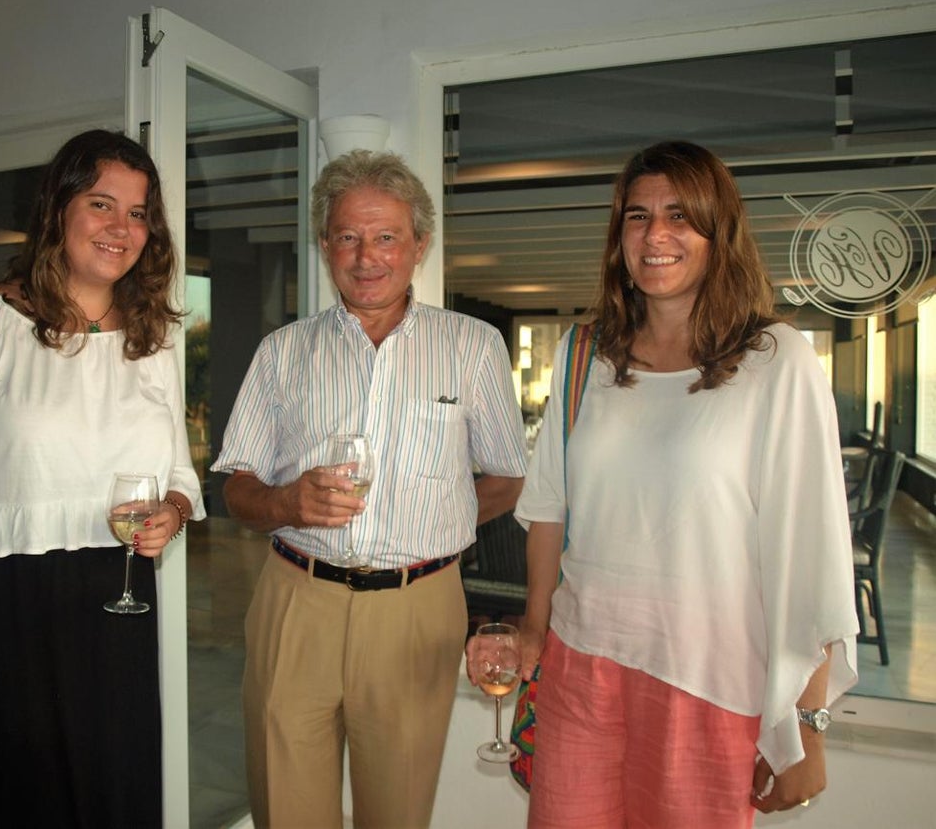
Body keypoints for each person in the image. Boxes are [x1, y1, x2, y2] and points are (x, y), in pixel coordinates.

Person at [482, 140, 859, 828]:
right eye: (638, 216)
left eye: (681, 215)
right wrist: (534, 627)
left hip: (708, 681)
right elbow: (550, 510)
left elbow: (811, 553)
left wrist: (808, 724)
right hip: (580, 669)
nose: (655, 234)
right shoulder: (584, 354)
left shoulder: (777, 361)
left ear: (720, 233)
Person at [0, 129, 205, 828]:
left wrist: (172, 512)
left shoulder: (153, 337)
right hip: (8, 612)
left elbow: (179, 474)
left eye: (138, 213)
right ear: (58, 209)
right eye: (101, 204)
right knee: (15, 804)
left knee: (115, 799)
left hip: (120, 606)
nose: (121, 228)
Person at [211, 148, 529, 828]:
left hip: (417, 609)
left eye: (386, 236)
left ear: (419, 245)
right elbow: (236, 486)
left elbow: (508, 476)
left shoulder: (472, 346)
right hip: (296, 600)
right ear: (325, 246)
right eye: (348, 237)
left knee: (397, 812)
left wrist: (436, 521)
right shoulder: (282, 351)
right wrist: (284, 502)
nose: (366, 257)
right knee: (284, 808)